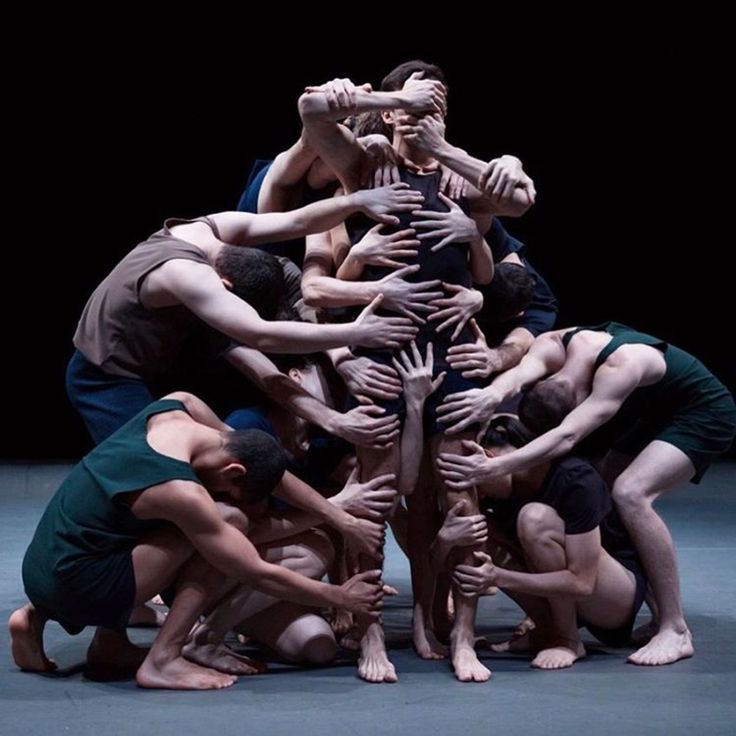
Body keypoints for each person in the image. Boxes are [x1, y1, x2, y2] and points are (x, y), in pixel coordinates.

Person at [298, 60, 534, 683]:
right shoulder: (368, 160)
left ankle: (464, 637)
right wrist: (387, 97)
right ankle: (371, 629)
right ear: (397, 106)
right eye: (420, 98)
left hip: (453, 349)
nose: (431, 106)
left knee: (462, 493)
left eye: (441, 99)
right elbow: (312, 111)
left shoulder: (462, 173)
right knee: (375, 495)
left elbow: (521, 198)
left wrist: (455, 155)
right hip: (384, 345)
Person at [9, 392, 385, 689]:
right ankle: (164, 660)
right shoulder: (182, 493)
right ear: (234, 472)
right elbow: (254, 571)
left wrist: (339, 516)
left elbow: (267, 465)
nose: (221, 494)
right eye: (232, 490)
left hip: (46, 567)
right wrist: (340, 597)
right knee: (229, 520)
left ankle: (70, 630)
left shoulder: (180, 406)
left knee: (126, 524)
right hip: (80, 586)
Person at [437, 321, 736, 665]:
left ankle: (674, 627)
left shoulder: (619, 369)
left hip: (700, 411)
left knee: (630, 494)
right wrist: (489, 395)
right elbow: (518, 376)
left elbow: (566, 437)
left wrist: (494, 468)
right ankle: (629, 604)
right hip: (649, 409)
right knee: (603, 494)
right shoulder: (551, 345)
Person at [67, 188, 421, 444]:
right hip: (105, 376)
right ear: (224, 284)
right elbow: (261, 337)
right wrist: (356, 332)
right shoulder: (189, 278)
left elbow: (295, 221)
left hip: (163, 359)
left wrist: (357, 201)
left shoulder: (212, 231)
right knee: (149, 470)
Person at [436, 415, 647, 669]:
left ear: (489, 461)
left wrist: (497, 577)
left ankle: (568, 640)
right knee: (477, 529)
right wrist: (444, 540)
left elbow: (582, 583)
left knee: (534, 519)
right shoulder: (499, 497)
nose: (476, 492)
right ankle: (547, 629)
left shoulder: (574, 478)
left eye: (475, 481)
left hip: (614, 597)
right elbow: (440, 564)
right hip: (569, 591)